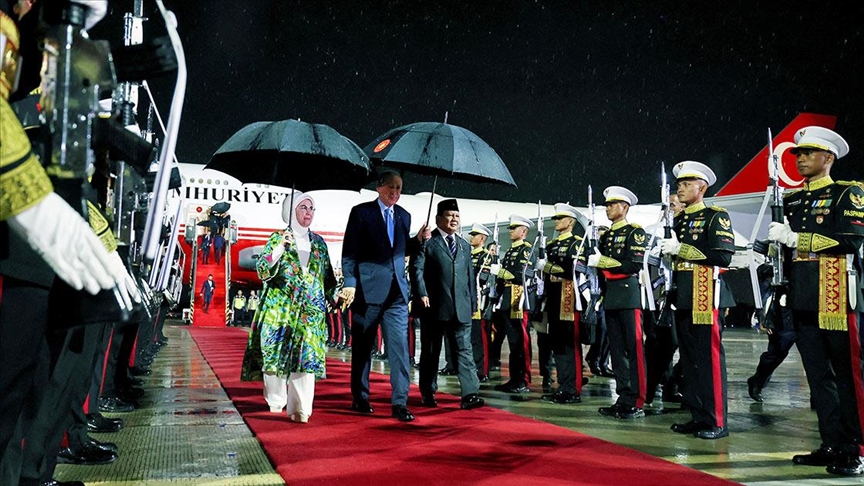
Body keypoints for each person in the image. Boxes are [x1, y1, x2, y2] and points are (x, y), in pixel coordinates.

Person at [766, 127, 864, 476]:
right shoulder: (792, 201)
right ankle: (831, 442)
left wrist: (797, 238)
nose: (800, 158)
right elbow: (786, 251)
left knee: (848, 377)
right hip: (804, 297)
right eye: (798, 153)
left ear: (829, 157)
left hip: (835, 296)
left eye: (808, 152)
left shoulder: (846, 194)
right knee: (819, 378)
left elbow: (851, 240)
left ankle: (856, 448)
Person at [339, 170, 429, 422]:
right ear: (379, 187)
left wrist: (418, 239)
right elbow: (349, 252)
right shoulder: (361, 213)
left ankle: (400, 402)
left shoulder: (404, 216)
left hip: (397, 295)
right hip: (367, 293)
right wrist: (350, 283)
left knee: (400, 350)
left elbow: (400, 250)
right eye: (391, 187)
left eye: (399, 188)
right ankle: (360, 397)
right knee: (363, 349)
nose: (395, 192)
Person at [240, 192, 337, 423]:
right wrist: (280, 248)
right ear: (291, 211)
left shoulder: (319, 243)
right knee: (274, 355)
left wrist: (335, 296)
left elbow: (328, 278)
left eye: (312, 208)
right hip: (280, 310)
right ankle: (276, 400)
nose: (308, 212)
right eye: (303, 207)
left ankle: (301, 409)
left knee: (306, 359)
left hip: (309, 313)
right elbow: (263, 269)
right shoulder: (278, 238)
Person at [660, 161, 736, 439]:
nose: (680, 188)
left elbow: (722, 256)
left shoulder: (715, 216)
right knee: (690, 360)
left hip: (706, 294)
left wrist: (682, 249)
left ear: (702, 188)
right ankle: (697, 415)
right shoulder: (678, 220)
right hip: (683, 294)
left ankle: (716, 420)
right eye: (679, 184)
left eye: (686, 184)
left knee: (709, 359)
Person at [412, 199, 485, 410]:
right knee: (431, 352)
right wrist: (421, 292)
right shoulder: (427, 242)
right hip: (434, 307)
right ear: (438, 219)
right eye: (449, 215)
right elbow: (416, 269)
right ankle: (428, 392)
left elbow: (470, 277)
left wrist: (473, 303)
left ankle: (470, 393)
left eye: (457, 216)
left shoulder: (464, 245)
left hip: (461, 308)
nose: (454, 219)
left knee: (464, 351)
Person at [589, 187, 648, 419]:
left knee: (633, 349)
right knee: (616, 351)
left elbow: (633, 264)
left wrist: (603, 261)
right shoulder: (606, 236)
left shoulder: (635, 232)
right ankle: (623, 397)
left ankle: (637, 400)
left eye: (612, 205)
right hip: (612, 295)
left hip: (627, 294)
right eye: (607, 205)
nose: (608, 208)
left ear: (625, 207)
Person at [539, 203, 586, 404]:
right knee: (557, 344)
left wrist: (548, 267)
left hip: (569, 298)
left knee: (570, 345)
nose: (557, 222)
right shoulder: (551, 246)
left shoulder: (577, 244)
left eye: (560, 218)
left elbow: (573, 270)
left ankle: (573, 388)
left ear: (571, 222)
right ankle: (563, 385)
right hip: (554, 298)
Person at [490, 214, 535, 394]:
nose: (510, 231)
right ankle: (514, 378)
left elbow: (521, 276)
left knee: (521, 342)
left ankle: (523, 380)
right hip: (508, 300)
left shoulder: (526, 250)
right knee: (513, 343)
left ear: (523, 231)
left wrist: (501, 272)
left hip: (519, 299)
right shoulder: (510, 250)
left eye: (514, 228)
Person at [468, 222, 493, 381]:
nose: (471, 237)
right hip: (468, 298)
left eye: (474, 235)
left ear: (482, 238)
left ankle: (482, 370)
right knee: (470, 337)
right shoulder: (469, 255)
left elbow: (483, 278)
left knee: (480, 338)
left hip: (479, 299)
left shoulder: (486, 256)